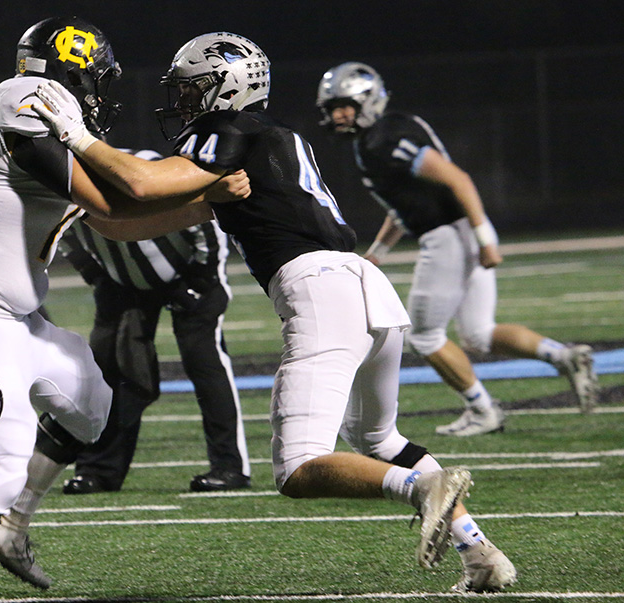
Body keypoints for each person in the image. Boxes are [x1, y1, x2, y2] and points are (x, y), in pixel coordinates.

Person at [33, 31, 516, 593]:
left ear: (229, 87)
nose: (184, 103)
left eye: (193, 90)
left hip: (319, 292)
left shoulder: (228, 130)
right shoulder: (263, 144)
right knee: (380, 440)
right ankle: (479, 554)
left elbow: (141, 182)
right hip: (365, 288)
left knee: (298, 469)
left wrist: (72, 137)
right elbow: (138, 218)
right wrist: (81, 208)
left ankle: (421, 490)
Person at [0, 17, 250, 603]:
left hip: (17, 320)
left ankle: (9, 527)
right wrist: (204, 188)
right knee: (0, 469)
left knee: (93, 406)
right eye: (98, 78)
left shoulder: (40, 118)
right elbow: (119, 195)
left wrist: (201, 209)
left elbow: (111, 223)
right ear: (74, 67)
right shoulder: (26, 97)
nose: (100, 92)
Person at [315, 62, 600, 435]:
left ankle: (483, 411)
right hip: (459, 230)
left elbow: (456, 178)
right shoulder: (382, 135)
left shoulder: (384, 138)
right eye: (332, 107)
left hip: (449, 236)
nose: (337, 114)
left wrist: (484, 241)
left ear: (366, 100)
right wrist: (378, 253)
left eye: (344, 105)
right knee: (479, 333)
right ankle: (562, 356)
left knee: (424, 336)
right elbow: (407, 205)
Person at [59, 187, 251, 494]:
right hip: (122, 281)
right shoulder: (62, 186)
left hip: (188, 272)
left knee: (203, 360)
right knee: (110, 370)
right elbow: (59, 232)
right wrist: (96, 273)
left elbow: (203, 218)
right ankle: (99, 470)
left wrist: (199, 279)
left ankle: (230, 466)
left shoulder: (141, 171)